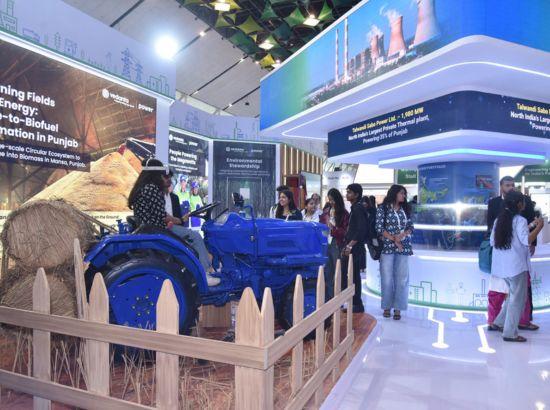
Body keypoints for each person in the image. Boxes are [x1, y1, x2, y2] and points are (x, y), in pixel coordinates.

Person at [129, 158, 220, 286]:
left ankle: (204, 268)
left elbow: (157, 214)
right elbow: (162, 215)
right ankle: (205, 272)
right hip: (156, 230)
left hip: (151, 228)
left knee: (191, 236)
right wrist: (179, 220)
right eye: (162, 175)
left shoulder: (143, 188)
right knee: (195, 236)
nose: (164, 178)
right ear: (156, 174)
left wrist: (175, 221)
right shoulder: (151, 188)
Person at [490, 191, 544, 342]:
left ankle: (498, 323)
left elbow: (493, 241)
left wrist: (531, 225)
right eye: (523, 201)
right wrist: (539, 227)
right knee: (517, 300)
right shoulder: (519, 220)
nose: (525, 204)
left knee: (513, 297)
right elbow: (526, 240)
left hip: (501, 267)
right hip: (516, 267)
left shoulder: (500, 219)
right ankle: (509, 333)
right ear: (519, 204)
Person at [375, 184, 414, 320]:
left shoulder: (406, 209)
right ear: (394, 194)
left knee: (402, 278)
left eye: (404, 193)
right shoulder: (383, 208)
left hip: (403, 247)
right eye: (401, 193)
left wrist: (401, 236)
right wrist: (393, 239)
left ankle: (398, 308)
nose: (403, 196)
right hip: (387, 247)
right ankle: (386, 306)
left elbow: (410, 226)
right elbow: (379, 227)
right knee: (386, 278)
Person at [341, 183, 367, 313]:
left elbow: (361, 230)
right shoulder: (355, 208)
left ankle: (357, 304)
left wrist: (350, 245)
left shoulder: (358, 208)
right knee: (351, 275)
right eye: (347, 192)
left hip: (355, 248)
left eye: (349, 192)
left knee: (354, 276)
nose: (347, 194)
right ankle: (354, 303)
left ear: (356, 194)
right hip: (353, 246)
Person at [323, 189, 349, 299]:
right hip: (326, 243)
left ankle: (337, 298)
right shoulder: (327, 211)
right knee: (327, 271)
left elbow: (345, 232)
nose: (331, 202)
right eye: (329, 200)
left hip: (337, 244)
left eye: (333, 199)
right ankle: (329, 298)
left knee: (337, 271)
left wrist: (333, 229)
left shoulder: (344, 213)